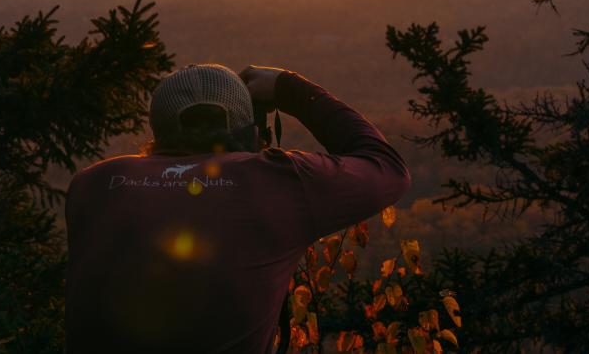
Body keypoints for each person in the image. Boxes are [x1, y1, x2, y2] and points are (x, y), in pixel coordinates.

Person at [65, 64, 410, 353]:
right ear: (251, 132)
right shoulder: (278, 179)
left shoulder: (95, 184)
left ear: (159, 132)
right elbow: (387, 168)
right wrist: (287, 87)